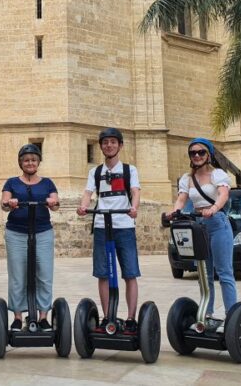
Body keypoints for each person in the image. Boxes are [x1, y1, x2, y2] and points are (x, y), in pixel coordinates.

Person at [77, 128, 141, 335]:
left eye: (113, 142)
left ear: (120, 145)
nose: (109, 145)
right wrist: (83, 207)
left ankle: (131, 318)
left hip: (124, 225)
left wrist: (134, 208)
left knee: (130, 273)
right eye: (105, 142)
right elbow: (88, 193)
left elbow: (135, 192)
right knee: (103, 274)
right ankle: (107, 317)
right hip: (102, 226)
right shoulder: (95, 172)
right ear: (101, 146)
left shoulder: (129, 170)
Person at [170, 137, 235, 333]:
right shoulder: (187, 179)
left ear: (209, 155)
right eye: (193, 153)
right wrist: (174, 213)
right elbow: (181, 199)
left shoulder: (218, 175)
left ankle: (232, 317)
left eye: (201, 152)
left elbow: (223, 195)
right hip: (198, 227)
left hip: (218, 224)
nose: (197, 156)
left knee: (224, 273)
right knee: (204, 275)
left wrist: (214, 208)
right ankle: (206, 315)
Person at [1, 144, 60, 332]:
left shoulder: (47, 183)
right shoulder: (11, 182)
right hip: (16, 233)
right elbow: (4, 203)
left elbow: (56, 204)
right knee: (18, 276)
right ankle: (18, 316)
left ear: (38, 162)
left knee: (44, 274)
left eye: (33, 159)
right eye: (26, 160)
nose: (30, 163)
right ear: (20, 162)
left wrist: (52, 203)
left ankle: (43, 316)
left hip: (42, 232)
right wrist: (9, 203)